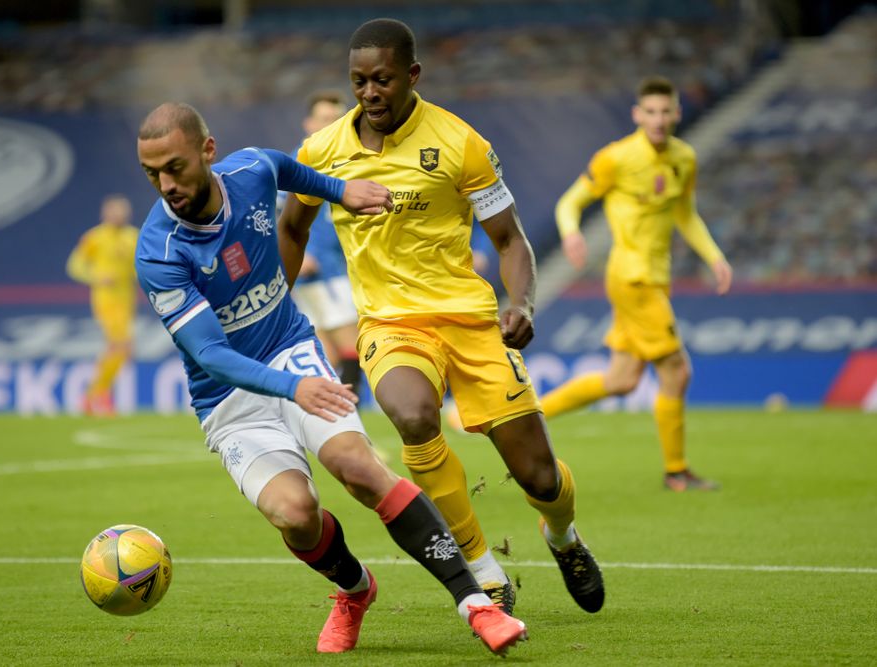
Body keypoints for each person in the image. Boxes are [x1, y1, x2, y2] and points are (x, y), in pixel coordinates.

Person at [133, 102, 527, 656]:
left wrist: (341, 191)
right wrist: (292, 389)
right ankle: (355, 589)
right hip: (229, 398)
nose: (166, 184)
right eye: (152, 174)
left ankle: (476, 604)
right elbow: (212, 355)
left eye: (175, 167)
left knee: (358, 468)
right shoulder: (160, 253)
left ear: (208, 150)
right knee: (295, 515)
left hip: (290, 350)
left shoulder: (251, 171)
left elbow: (286, 167)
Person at [279, 18, 605, 616]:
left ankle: (564, 537)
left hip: (472, 323)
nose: (370, 93)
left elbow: (509, 240)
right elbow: (292, 227)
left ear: (412, 75)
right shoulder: (321, 153)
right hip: (390, 324)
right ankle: (483, 570)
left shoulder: (460, 143)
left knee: (540, 480)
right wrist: (274, 303)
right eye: (358, 82)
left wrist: (521, 303)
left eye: (382, 80)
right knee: (411, 413)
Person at [539, 75, 733, 492]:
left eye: (666, 111)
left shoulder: (684, 158)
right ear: (637, 115)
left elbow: (686, 214)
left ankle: (529, 416)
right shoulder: (617, 158)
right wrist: (571, 233)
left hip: (656, 280)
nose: (659, 119)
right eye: (651, 112)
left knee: (621, 380)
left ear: (677, 113)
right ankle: (676, 471)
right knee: (677, 371)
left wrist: (714, 257)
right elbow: (570, 202)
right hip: (632, 278)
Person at [285, 90, 362, 394]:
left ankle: (335, 421)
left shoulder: (354, 161)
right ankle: (348, 421)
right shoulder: (296, 164)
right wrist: (298, 255)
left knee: (331, 351)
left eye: (336, 119)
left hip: (344, 267)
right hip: (320, 272)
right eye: (324, 119)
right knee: (346, 345)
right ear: (309, 123)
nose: (330, 125)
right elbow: (279, 215)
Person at [66, 194, 139, 416]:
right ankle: (98, 394)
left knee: (121, 349)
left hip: (127, 298)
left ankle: (94, 396)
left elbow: (141, 265)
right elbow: (75, 266)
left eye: (121, 211)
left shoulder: (133, 237)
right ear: (104, 213)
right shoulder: (95, 238)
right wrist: (96, 277)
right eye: (113, 211)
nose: (118, 215)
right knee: (121, 345)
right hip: (106, 299)